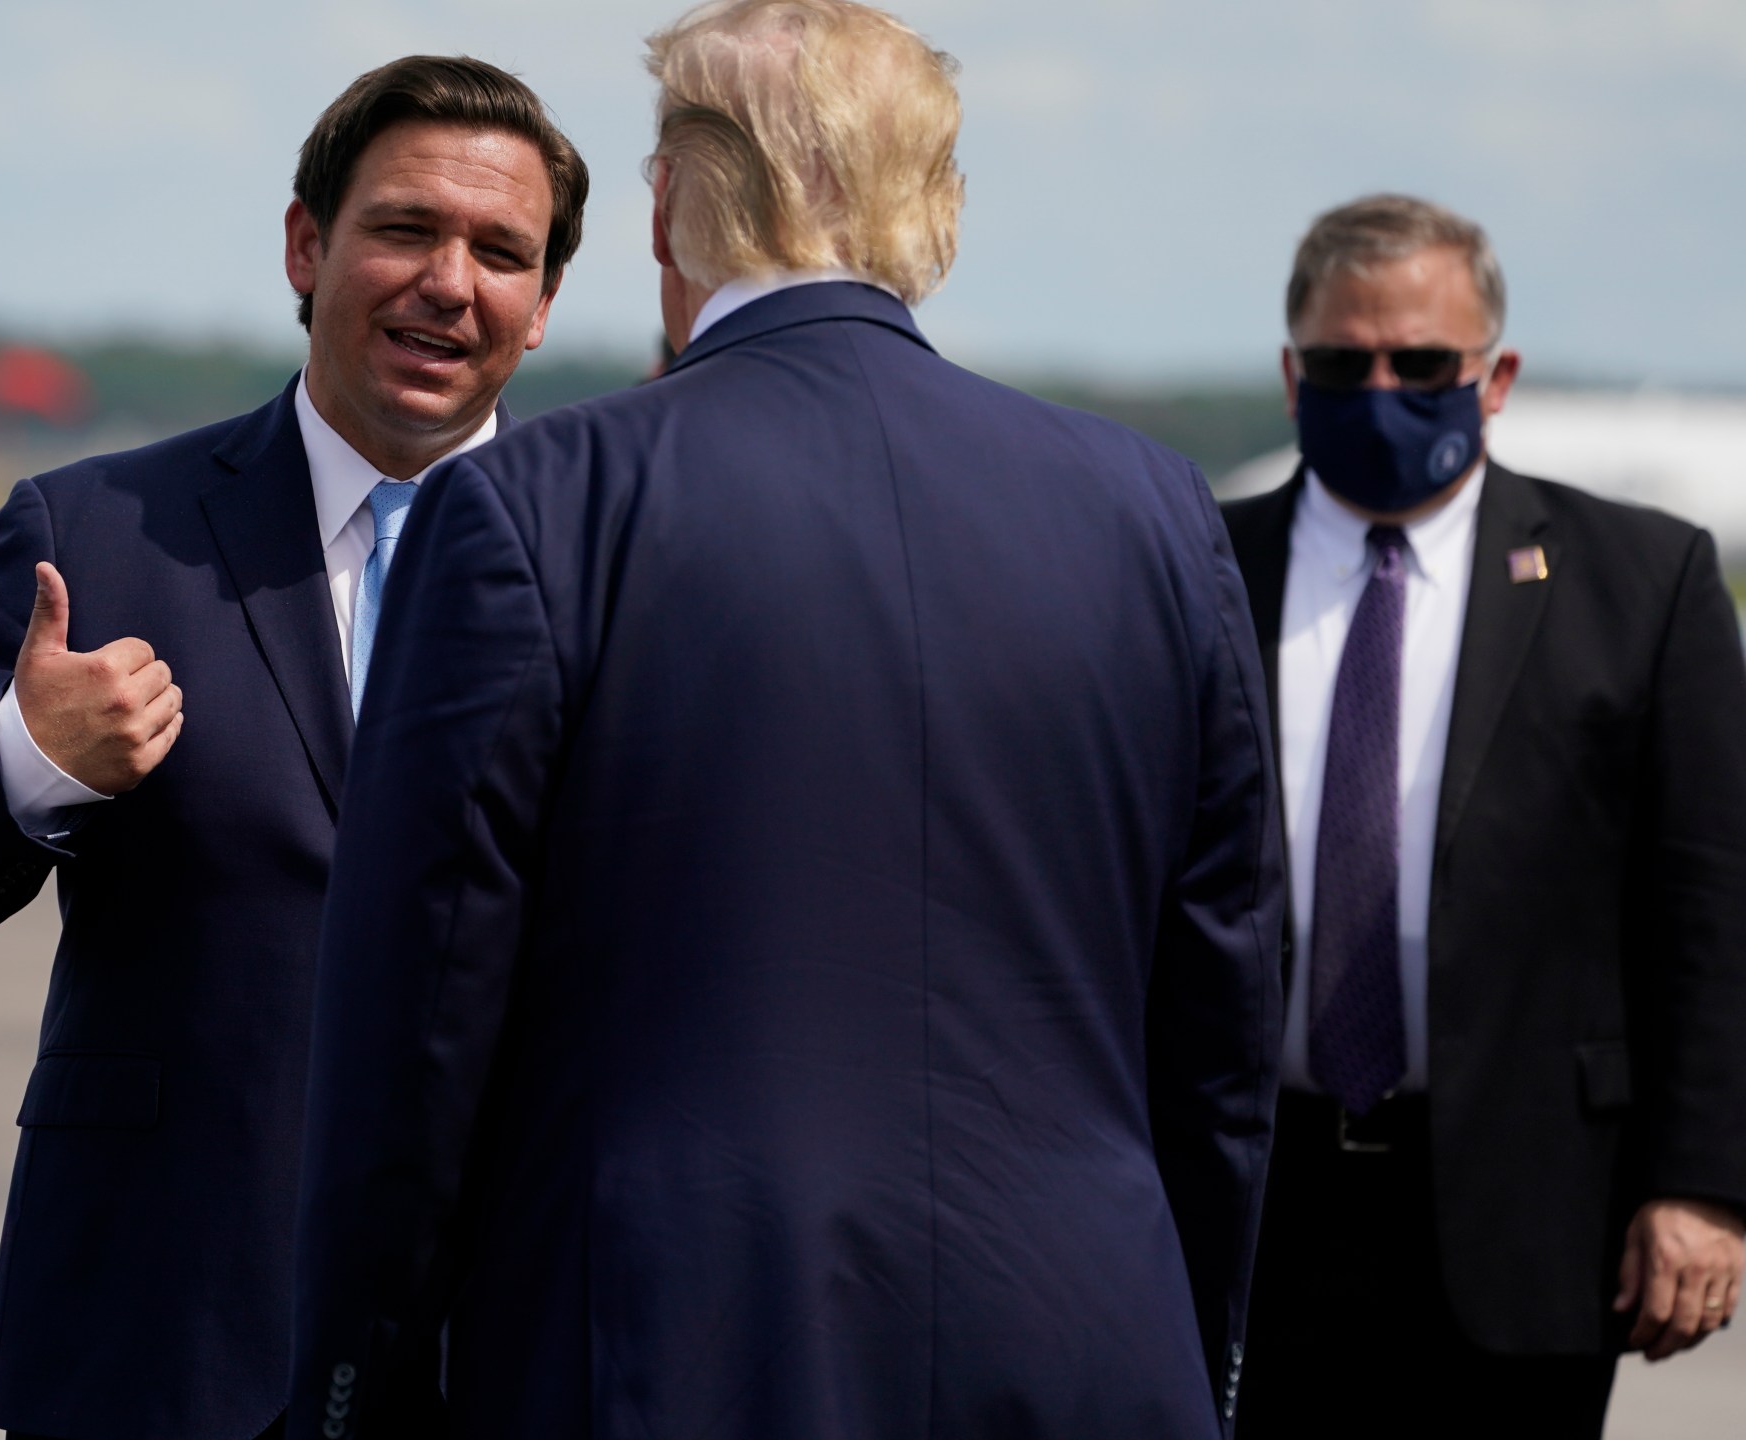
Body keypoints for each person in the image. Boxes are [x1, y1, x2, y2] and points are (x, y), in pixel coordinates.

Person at [286, 4, 1284, 1436]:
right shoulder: (1154, 510)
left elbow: (420, 1023)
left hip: (668, 1350)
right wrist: (1194, 1350)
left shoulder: (534, 507)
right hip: (1089, 1345)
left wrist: (355, 1388)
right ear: (937, 204)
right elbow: (1224, 1023)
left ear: (671, 202)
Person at [0, 56, 586, 1440]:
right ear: (308, 245)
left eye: (502, 252)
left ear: (543, 308)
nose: (450, 281)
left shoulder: (620, 561)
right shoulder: (97, 530)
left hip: (503, 1355)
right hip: (162, 1340)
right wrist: (29, 757)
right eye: (406, 229)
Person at [1223, 194, 1746, 1439]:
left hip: (1529, 1210)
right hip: (1254, 1205)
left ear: (1494, 374)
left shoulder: (1641, 581)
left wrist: (1704, 1187)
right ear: (1293, 376)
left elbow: (1709, 904)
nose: (1383, 388)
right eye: (1346, 365)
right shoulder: (1195, 564)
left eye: (1422, 364)